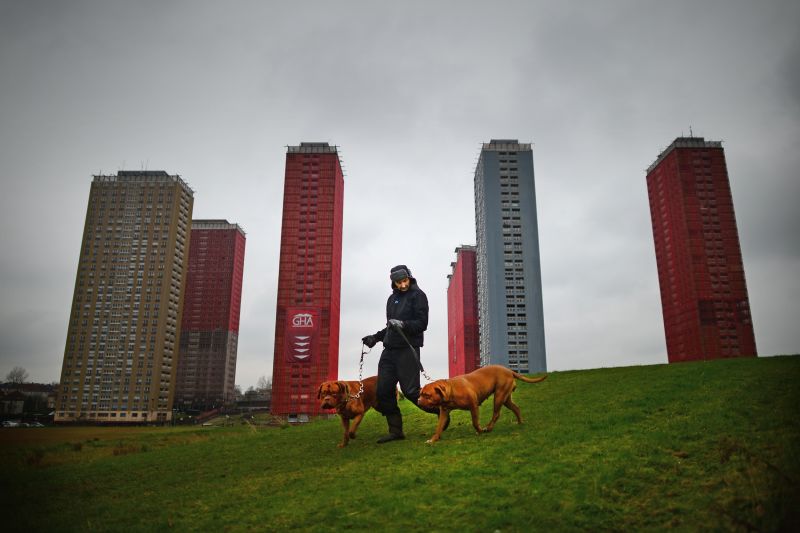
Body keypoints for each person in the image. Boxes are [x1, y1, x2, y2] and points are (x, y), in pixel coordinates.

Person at [362, 264, 437, 443]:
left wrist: (403, 324)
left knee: (411, 392)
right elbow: (390, 326)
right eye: (398, 283)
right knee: (383, 391)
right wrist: (376, 337)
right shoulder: (391, 299)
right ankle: (396, 432)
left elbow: (422, 323)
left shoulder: (418, 296)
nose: (402, 285)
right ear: (393, 283)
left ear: (409, 278)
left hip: (408, 349)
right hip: (389, 351)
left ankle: (442, 411)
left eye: (404, 281)